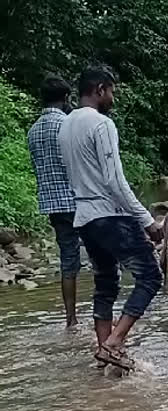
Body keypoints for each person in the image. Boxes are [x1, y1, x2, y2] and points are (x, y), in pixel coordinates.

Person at [58, 66, 163, 371]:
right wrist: (146, 220)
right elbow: (115, 181)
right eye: (112, 91)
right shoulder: (102, 124)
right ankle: (115, 343)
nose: (113, 98)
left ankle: (106, 352)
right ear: (100, 89)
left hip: (84, 217)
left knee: (106, 283)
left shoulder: (66, 125)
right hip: (109, 215)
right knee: (150, 276)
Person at [27, 75, 81, 328]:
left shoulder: (33, 130)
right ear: (66, 98)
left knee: (68, 259)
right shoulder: (69, 123)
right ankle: (105, 317)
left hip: (52, 204)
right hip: (78, 199)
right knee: (103, 255)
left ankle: (70, 319)